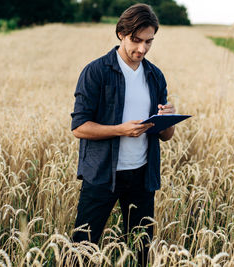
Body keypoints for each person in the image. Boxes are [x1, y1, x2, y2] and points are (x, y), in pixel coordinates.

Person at [70, 3, 176, 266]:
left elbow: (166, 136)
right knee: (81, 250)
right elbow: (79, 127)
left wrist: (168, 120)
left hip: (141, 175)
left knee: (141, 251)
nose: (142, 49)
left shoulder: (154, 75)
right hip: (102, 175)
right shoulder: (96, 71)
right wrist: (121, 130)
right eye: (136, 40)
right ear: (121, 33)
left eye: (149, 42)